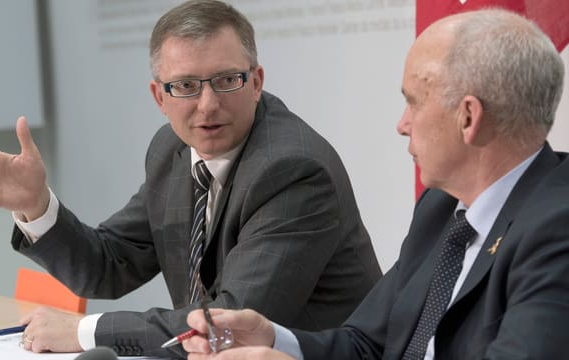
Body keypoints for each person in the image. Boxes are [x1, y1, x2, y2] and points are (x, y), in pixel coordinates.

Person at [0, 0, 382, 358]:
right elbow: (109, 266)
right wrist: (36, 206)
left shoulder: (294, 169)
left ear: (256, 81)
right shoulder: (171, 151)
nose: (207, 105)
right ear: (159, 96)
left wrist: (86, 331)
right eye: (186, 86)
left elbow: (230, 322)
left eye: (226, 80)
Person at [182, 8, 569, 360]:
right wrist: (273, 341)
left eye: (414, 102)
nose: (402, 125)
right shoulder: (441, 208)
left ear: (468, 117)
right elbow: (367, 344)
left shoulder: (558, 227)